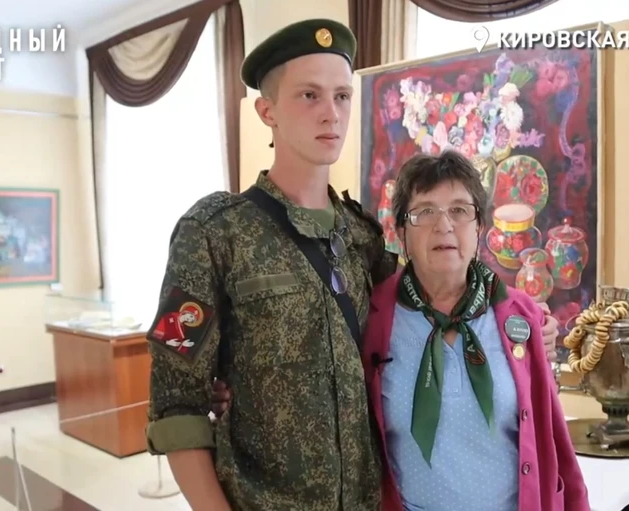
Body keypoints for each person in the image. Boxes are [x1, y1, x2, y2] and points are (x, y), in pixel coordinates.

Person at [145, 19, 389, 511]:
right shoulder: (212, 233)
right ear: (267, 111)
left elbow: (423, 317)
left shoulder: (362, 236)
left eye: (342, 96)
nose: (331, 113)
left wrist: (525, 322)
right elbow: (176, 399)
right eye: (309, 95)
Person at [361, 151, 590, 511]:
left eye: (459, 210)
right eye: (425, 211)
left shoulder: (521, 317)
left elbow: (554, 444)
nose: (444, 225)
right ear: (402, 231)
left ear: (479, 227)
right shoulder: (372, 319)